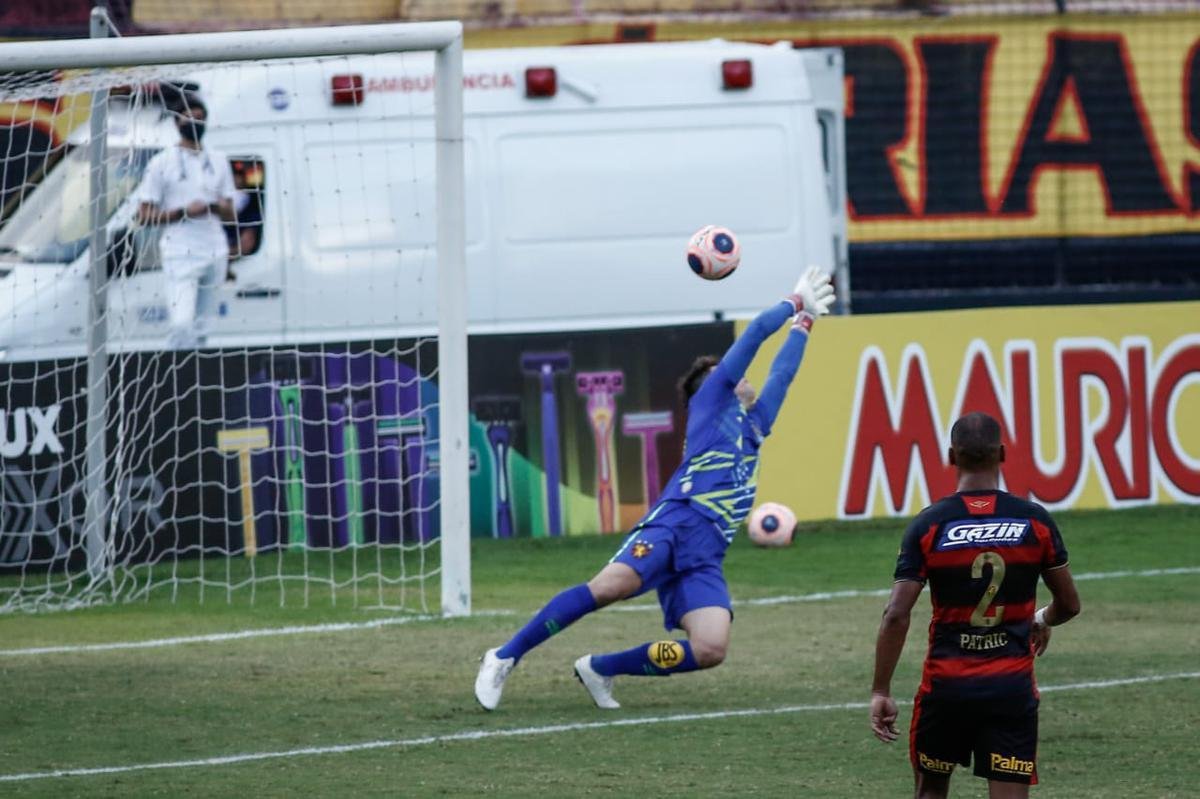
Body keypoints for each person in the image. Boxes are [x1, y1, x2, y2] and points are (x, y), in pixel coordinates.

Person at [475, 265, 836, 711]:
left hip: (706, 552)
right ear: (719, 384)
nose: (747, 380)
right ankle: (504, 656)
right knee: (607, 588)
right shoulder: (710, 403)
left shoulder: (755, 425)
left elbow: (782, 374)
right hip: (675, 524)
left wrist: (805, 324)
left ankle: (601, 668)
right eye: (736, 375)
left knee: (710, 649)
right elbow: (757, 337)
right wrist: (793, 302)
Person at [869, 411, 1082, 799]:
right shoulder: (1035, 521)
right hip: (1010, 690)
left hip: (946, 689)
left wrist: (881, 689)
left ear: (952, 456)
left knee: (931, 791)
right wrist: (1041, 617)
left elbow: (896, 614)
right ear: (1003, 453)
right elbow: (1068, 604)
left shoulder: (930, 525)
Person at [136, 94, 235, 349]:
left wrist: (215, 207)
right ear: (176, 123)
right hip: (180, 251)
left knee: (205, 326)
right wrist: (183, 212)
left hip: (215, 248)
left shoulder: (219, 160)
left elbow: (230, 211)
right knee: (181, 324)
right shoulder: (161, 163)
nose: (196, 123)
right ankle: (180, 375)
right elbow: (143, 215)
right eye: (190, 118)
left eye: (201, 118)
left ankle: (202, 376)